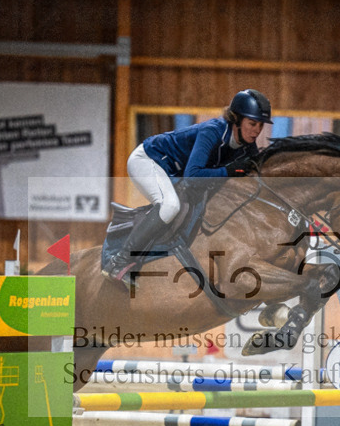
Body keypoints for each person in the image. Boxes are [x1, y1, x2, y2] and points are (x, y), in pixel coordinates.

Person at [102, 89, 273, 286]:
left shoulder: (248, 148)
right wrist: (228, 171)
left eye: (261, 125)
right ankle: (119, 261)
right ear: (236, 119)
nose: (257, 130)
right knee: (170, 206)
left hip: (173, 172)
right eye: (252, 123)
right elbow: (193, 177)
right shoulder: (212, 131)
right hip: (149, 160)